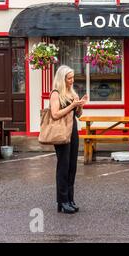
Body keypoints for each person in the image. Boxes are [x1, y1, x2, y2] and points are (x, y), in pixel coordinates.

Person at [50, 65, 87, 214]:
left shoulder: (72, 92)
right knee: (63, 167)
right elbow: (55, 114)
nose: (72, 81)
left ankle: (70, 199)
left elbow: (78, 115)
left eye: (72, 78)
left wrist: (80, 105)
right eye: (69, 78)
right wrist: (72, 105)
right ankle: (62, 200)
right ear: (62, 78)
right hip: (61, 132)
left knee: (72, 166)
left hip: (72, 130)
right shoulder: (56, 93)